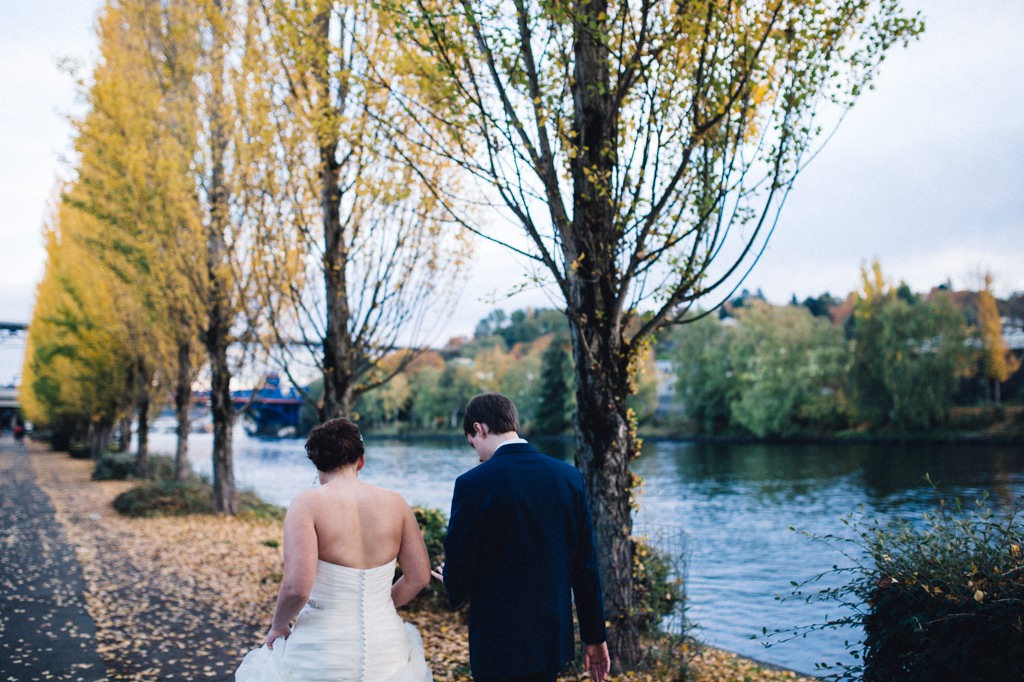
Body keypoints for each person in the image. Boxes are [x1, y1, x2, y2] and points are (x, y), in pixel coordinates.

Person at [236, 418, 433, 681]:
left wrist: (279, 625)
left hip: (321, 651)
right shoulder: (396, 504)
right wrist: (381, 605)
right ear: (361, 461)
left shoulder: (307, 504)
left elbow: (297, 587)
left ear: (317, 465)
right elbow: (419, 576)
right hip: (386, 647)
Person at [438, 393, 611, 682]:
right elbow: (585, 566)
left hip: (496, 639)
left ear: (479, 429)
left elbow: (462, 563)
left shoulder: (472, 483)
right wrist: (595, 636)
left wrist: (451, 580)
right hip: (549, 636)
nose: (478, 454)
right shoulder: (568, 477)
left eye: (474, 444)